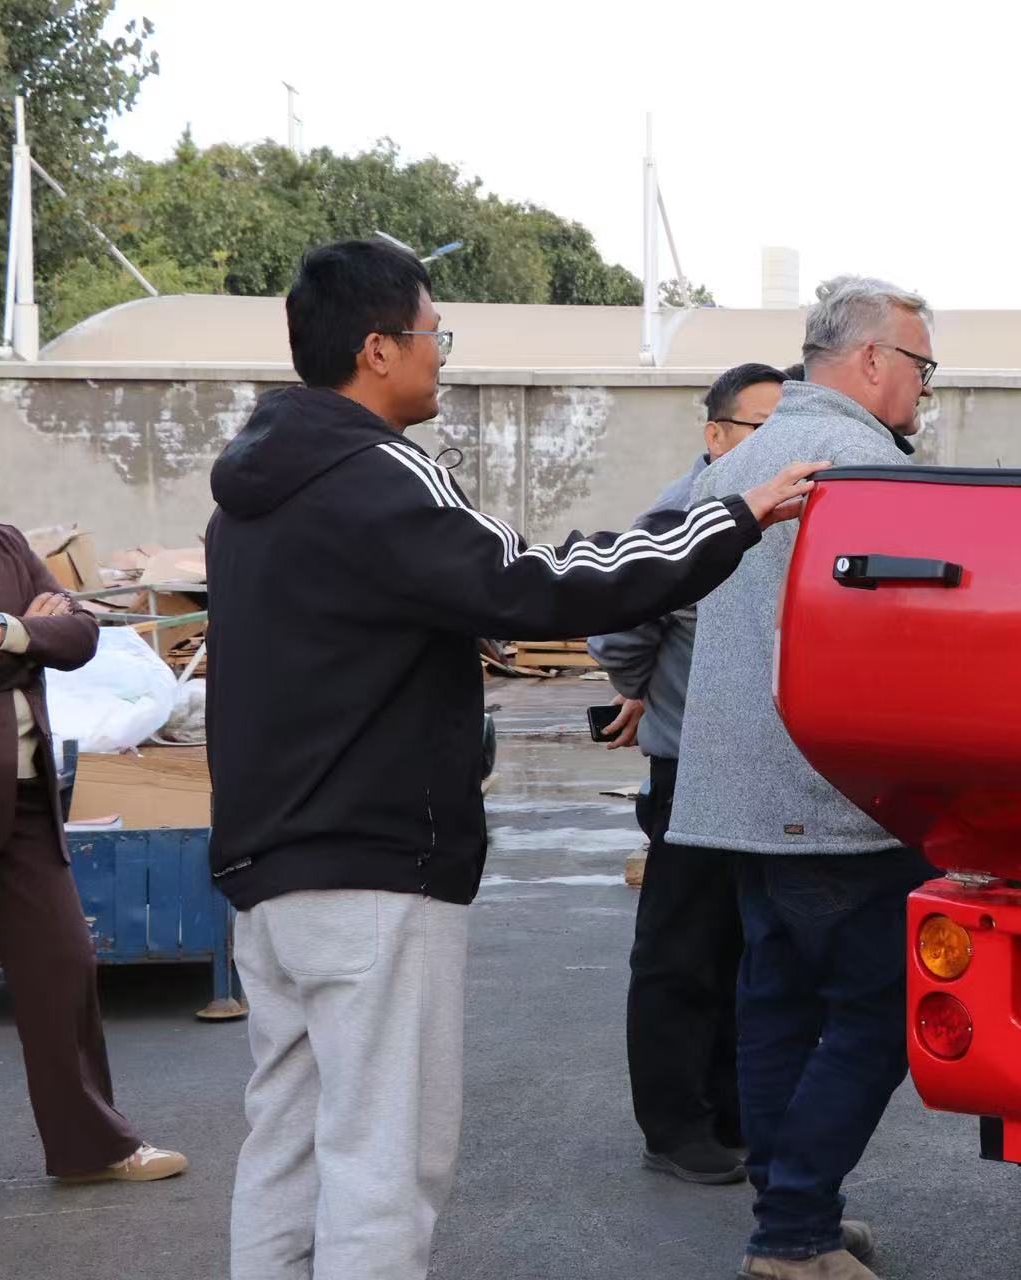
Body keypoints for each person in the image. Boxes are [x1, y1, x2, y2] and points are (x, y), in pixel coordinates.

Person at [207, 239, 823, 1280]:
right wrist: (732, 517)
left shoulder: (253, 489)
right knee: (383, 1160)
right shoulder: (377, 476)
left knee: (292, 1139)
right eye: (431, 333)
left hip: (272, 867)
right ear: (376, 349)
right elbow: (533, 581)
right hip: (371, 868)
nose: (441, 355)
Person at [669, 276, 937, 1280]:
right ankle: (794, 1229)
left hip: (738, 792)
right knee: (879, 1007)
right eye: (919, 365)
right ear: (871, 360)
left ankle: (791, 1214)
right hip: (835, 799)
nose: (922, 386)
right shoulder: (867, 464)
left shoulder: (742, 460)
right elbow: (907, 637)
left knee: (776, 1000)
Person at [588, 361, 786, 1185]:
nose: (776, 448)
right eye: (758, 430)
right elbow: (617, 625)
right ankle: (673, 1126)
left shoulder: (783, 511)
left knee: (744, 948)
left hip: (762, 767)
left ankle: (728, 1108)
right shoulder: (683, 513)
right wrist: (643, 690)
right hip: (692, 766)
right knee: (681, 952)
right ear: (715, 436)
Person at [0, 467, 187, 1185]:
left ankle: (90, 1148)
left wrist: (8, 632)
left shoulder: (2, 545)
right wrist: (27, 638)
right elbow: (44, 640)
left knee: (63, 968)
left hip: (25, 803)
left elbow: (78, 637)